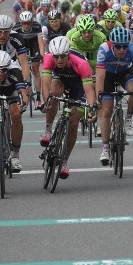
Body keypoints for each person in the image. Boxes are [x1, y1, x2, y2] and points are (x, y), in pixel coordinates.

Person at [39, 36, 97, 179]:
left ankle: (64, 161)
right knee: (53, 94)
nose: (59, 59)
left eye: (63, 56)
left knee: (73, 122)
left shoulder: (81, 63)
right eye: (56, 56)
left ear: (68, 54)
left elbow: (89, 91)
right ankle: (48, 130)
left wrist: (90, 109)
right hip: (61, 80)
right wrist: (47, 102)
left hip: (79, 85)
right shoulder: (48, 58)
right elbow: (45, 84)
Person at [95, 27, 133, 166]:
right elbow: (100, 77)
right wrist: (98, 97)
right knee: (106, 111)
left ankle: (129, 118)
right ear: (112, 44)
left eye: (124, 46)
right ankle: (105, 148)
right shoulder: (103, 49)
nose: (121, 50)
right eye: (118, 46)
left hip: (125, 73)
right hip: (108, 76)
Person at [13, 11, 44, 107]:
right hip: (22, 45)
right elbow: (15, 46)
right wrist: (19, 58)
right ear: (21, 23)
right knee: (22, 67)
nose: (26, 25)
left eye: (28, 23)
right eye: (24, 23)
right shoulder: (16, 28)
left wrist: (42, 55)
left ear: (32, 22)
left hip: (34, 45)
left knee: (35, 68)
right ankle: (24, 91)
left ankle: (38, 97)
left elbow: (40, 42)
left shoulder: (37, 26)